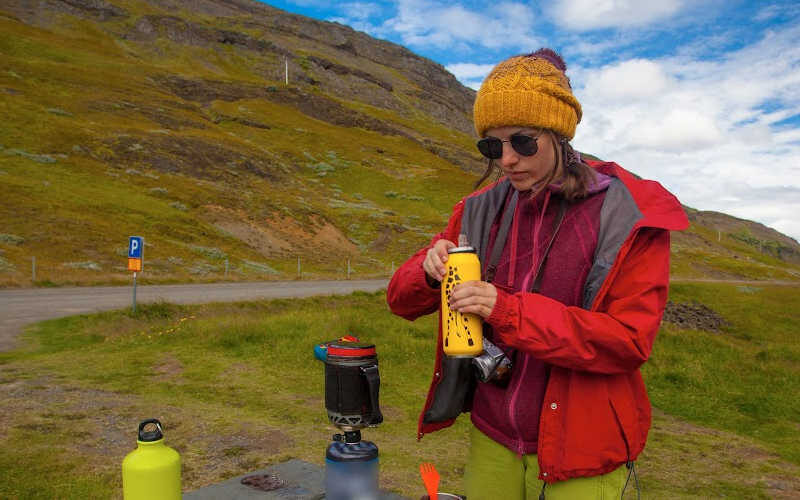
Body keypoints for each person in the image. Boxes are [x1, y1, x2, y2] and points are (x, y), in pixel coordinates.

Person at [386, 48, 689, 499]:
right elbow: (400, 301)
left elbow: (627, 341)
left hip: (584, 448)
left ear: (559, 134)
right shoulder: (478, 209)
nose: (507, 159)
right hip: (493, 435)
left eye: (522, 141)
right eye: (493, 145)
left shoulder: (626, 215)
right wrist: (428, 272)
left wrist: (506, 310)